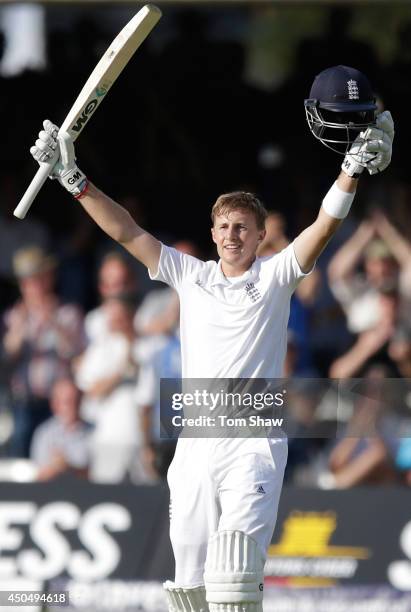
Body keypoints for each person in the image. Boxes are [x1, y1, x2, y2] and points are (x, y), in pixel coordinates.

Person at [28, 65, 393, 611]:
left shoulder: (275, 276)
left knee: (235, 574)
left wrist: (350, 172)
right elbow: (127, 231)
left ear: (261, 235)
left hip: (253, 439)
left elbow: (322, 228)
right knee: (189, 586)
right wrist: (73, 180)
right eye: (223, 227)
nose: (232, 236)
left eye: (243, 227)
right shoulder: (189, 275)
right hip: (197, 441)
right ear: (212, 232)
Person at [30, 377, 91, 481]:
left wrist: (69, 468)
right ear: (55, 404)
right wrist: (56, 467)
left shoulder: (94, 433)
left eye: (76, 400)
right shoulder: (44, 433)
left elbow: (99, 475)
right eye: (67, 402)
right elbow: (37, 476)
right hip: (51, 495)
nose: (73, 406)